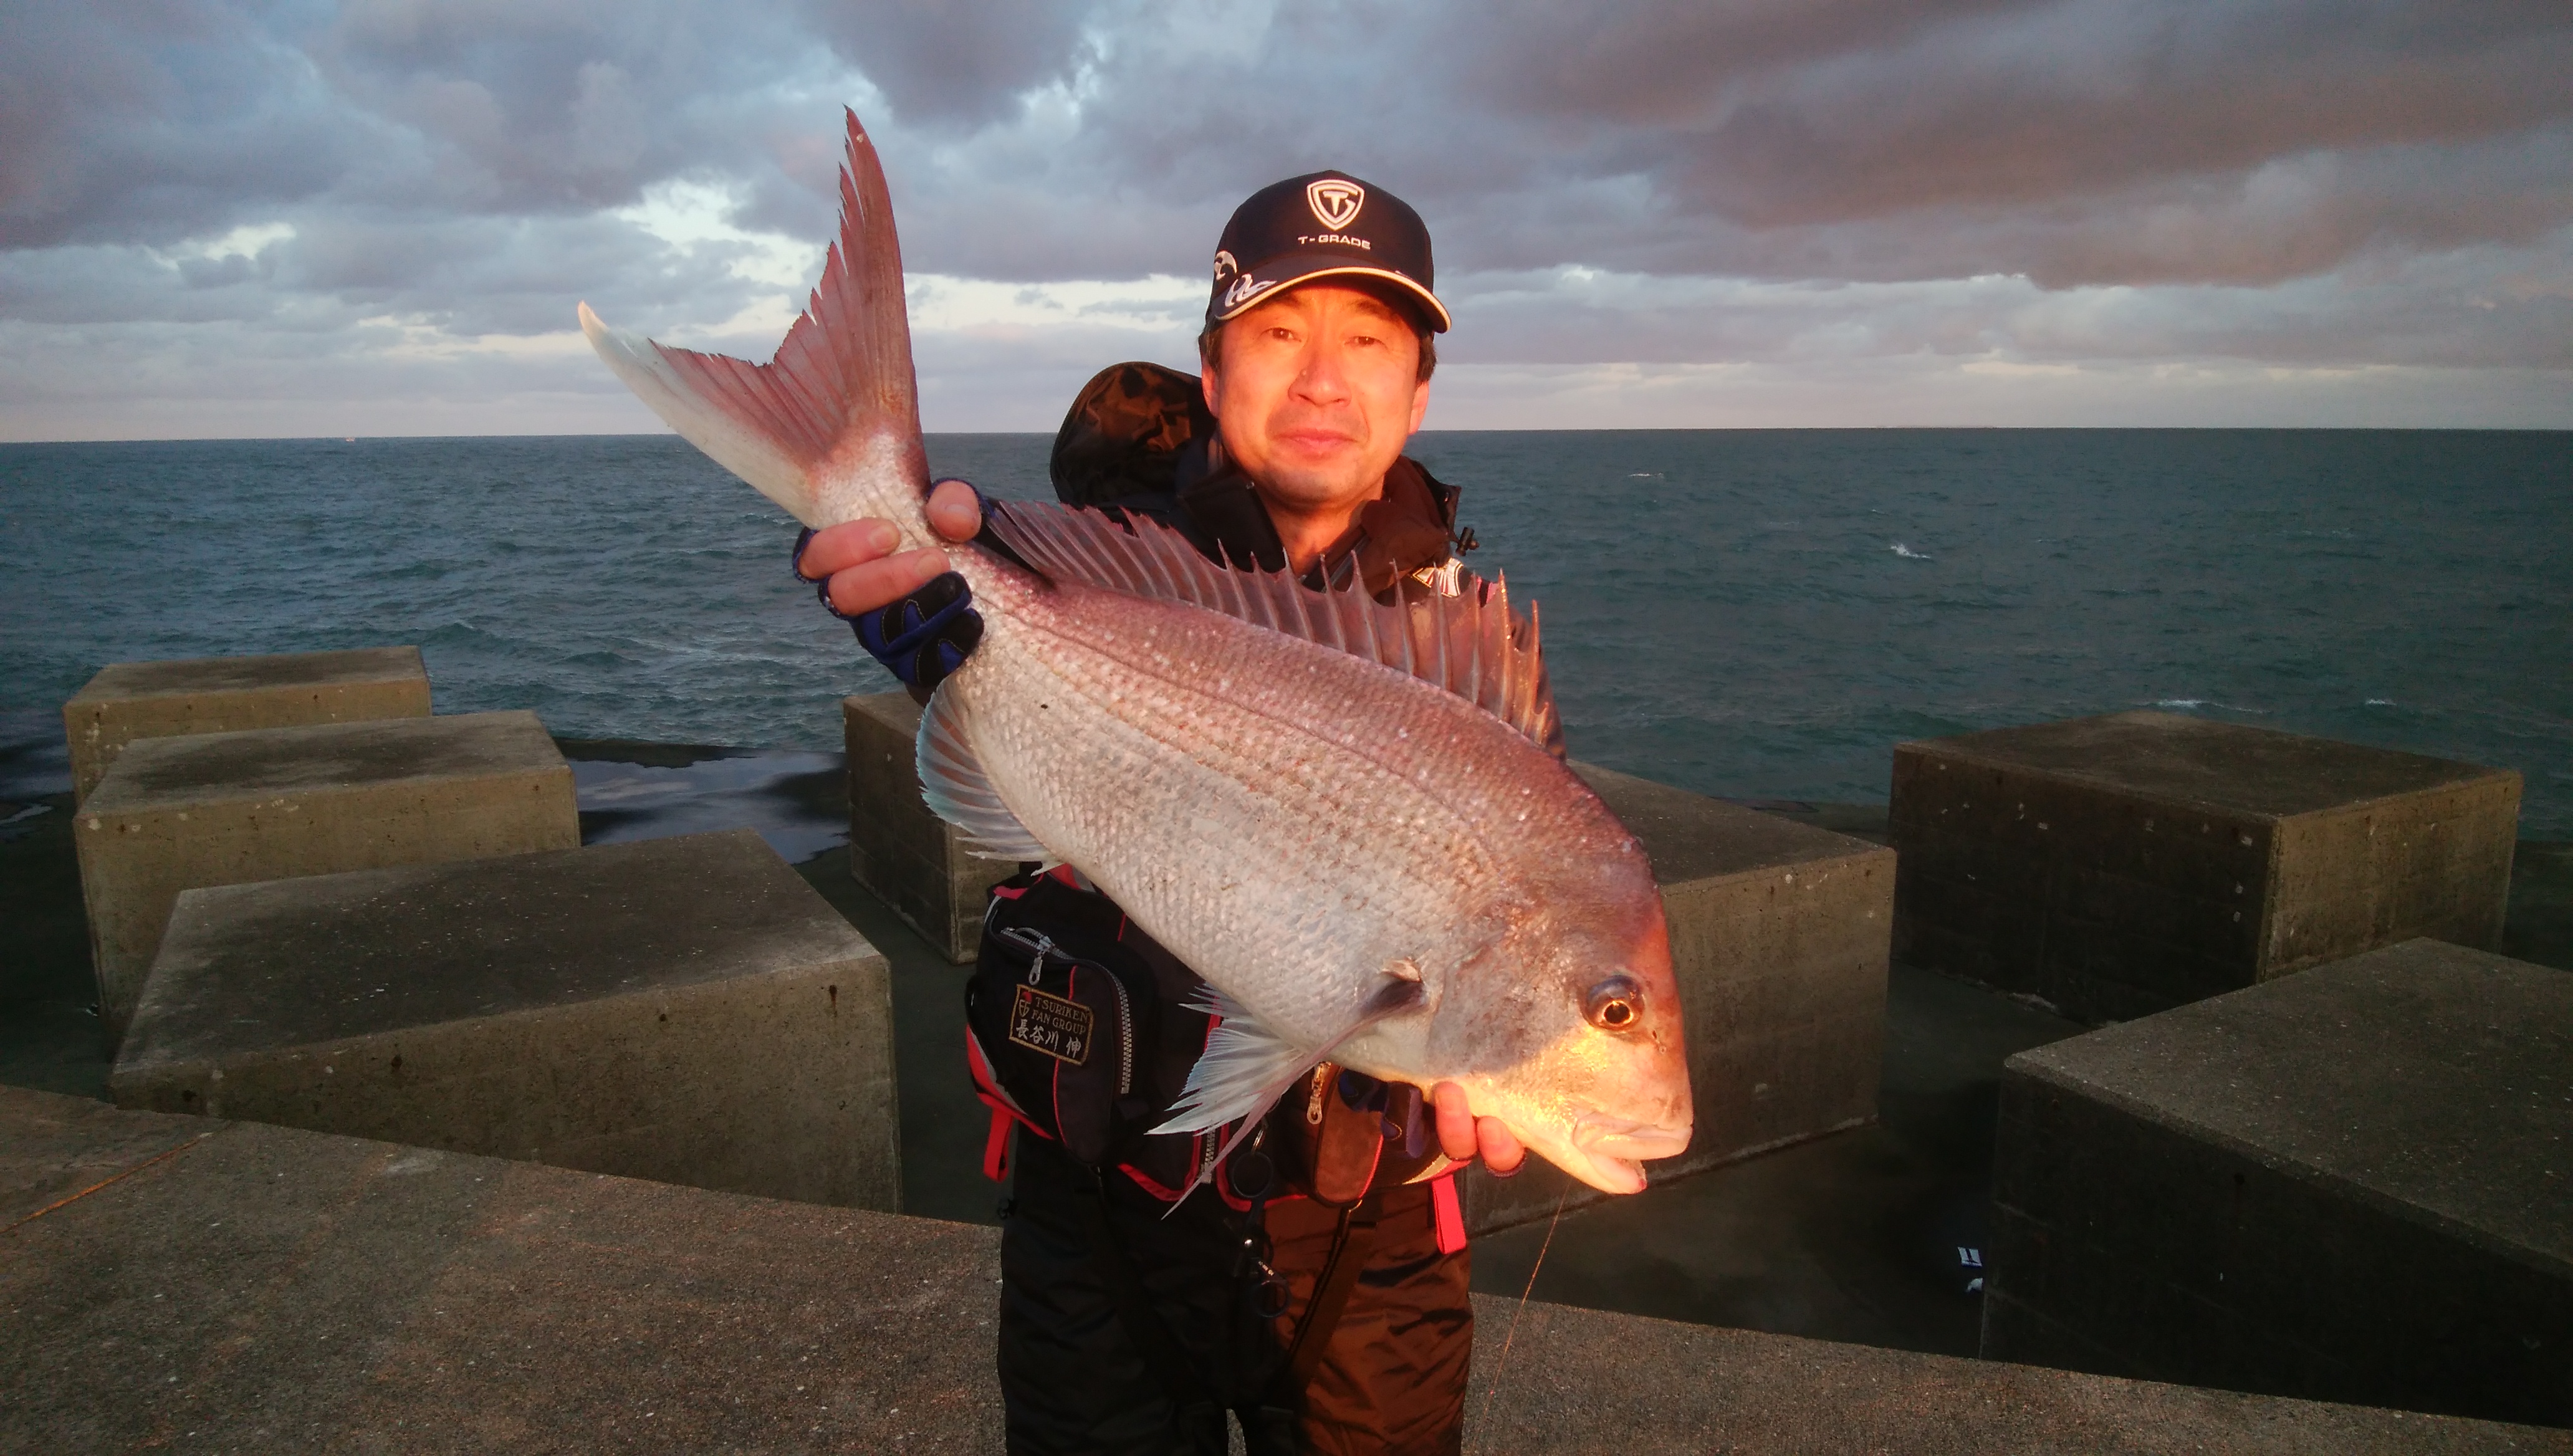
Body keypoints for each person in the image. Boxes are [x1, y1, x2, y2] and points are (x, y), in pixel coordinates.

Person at [797, 171, 1527, 1456]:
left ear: (1417, 391)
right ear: (1211, 368)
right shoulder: (1094, 569)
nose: (1321, 378)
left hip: (1365, 1251)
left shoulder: (1476, 669)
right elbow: (981, 633)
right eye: (1279, 334)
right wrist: (959, 663)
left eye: (1368, 338)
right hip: (1093, 1210)